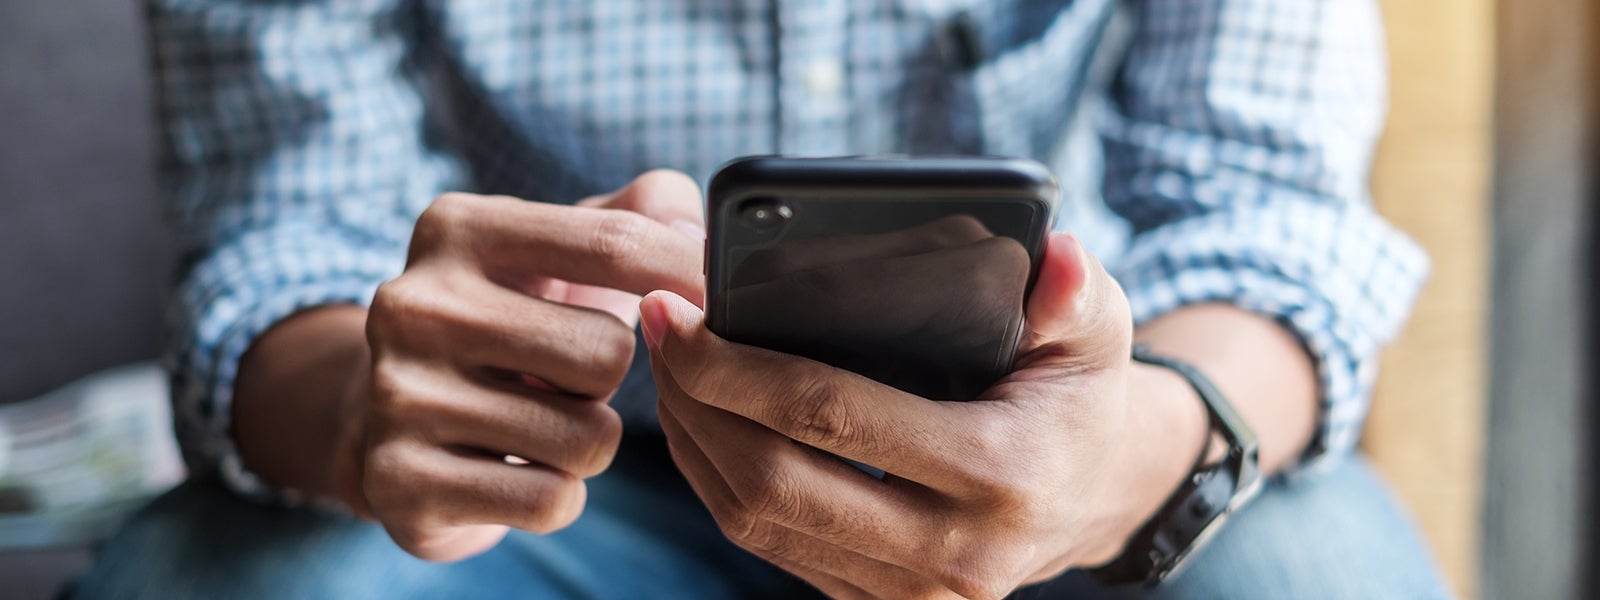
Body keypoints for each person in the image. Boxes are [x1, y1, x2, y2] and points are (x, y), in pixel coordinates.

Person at [76, 0, 1450, 597]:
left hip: (1074, 444)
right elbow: (279, 228)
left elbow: (1268, 210)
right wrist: (365, 413)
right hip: (569, 474)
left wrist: (1143, 454)